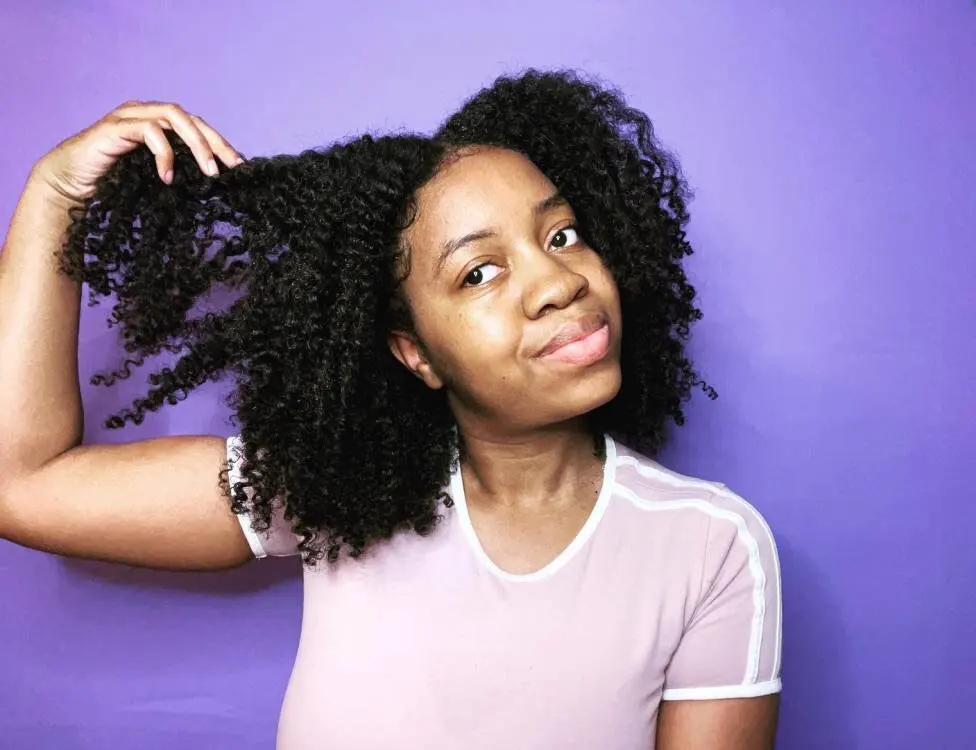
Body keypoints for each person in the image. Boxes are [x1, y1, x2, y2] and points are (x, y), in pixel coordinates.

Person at [0, 70, 781, 749]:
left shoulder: (709, 547)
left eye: (562, 234)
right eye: (478, 273)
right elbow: (22, 483)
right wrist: (54, 194)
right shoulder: (331, 489)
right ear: (415, 353)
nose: (558, 283)